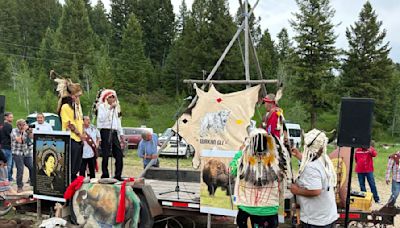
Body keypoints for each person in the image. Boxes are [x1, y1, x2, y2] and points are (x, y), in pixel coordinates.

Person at [230, 128, 292, 228]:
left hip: (246, 209)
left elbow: (232, 170)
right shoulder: (277, 161)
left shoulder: (243, 159)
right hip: (269, 210)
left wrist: (240, 152)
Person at [290, 129, 338, 228]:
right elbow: (314, 164)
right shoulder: (324, 159)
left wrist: (296, 190)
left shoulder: (311, 167)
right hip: (326, 216)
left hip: (316, 220)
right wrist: (300, 156)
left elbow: (315, 191)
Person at [55, 76, 84, 182]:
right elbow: (69, 124)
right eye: (77, 96)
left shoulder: (77, 107)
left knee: (77, 166)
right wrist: (79, 134)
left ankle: (73, 183)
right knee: (70, 167)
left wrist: (83, 135)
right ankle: (68, 186)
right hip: (71, 139)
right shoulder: (65, 107)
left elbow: (80, 122)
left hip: (79, 139)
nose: (78, 98)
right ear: (72, 96)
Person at [96, 89, 124, 181]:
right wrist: (109, 109)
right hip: (105, 131)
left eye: (113, 97)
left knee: (119, 153)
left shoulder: (116, 108)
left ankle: (118, 175)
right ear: (106, 98)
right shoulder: (102, 107)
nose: (112, 99)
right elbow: (101, 119)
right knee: (106, 153)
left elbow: (118, 121)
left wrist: (121, 133)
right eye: (110, 97)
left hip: (114, 131)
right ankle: (105, 174)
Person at [10, 119, 33, 193]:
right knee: (20, 169)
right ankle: (19, 186)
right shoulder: (14, 131)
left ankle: (33, 183)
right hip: (17, 153)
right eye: (22, 125)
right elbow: (20, 140)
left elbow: (32, 138)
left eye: (24, 124)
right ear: (18, 125)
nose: (23, 126)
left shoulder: (26, 131)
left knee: (32, 166)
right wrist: (23, 131)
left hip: (26, 152)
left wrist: (30, 131)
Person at [0, 112, 14, 181]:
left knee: (2, 164)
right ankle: (7, 179)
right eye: (10, 117)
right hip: (8, 147)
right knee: (8, 165)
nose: (12, 118)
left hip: (2, 147)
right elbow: (11, 136)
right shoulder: (8, 125)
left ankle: (6, 178)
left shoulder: (1, 125)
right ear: (6, 117)